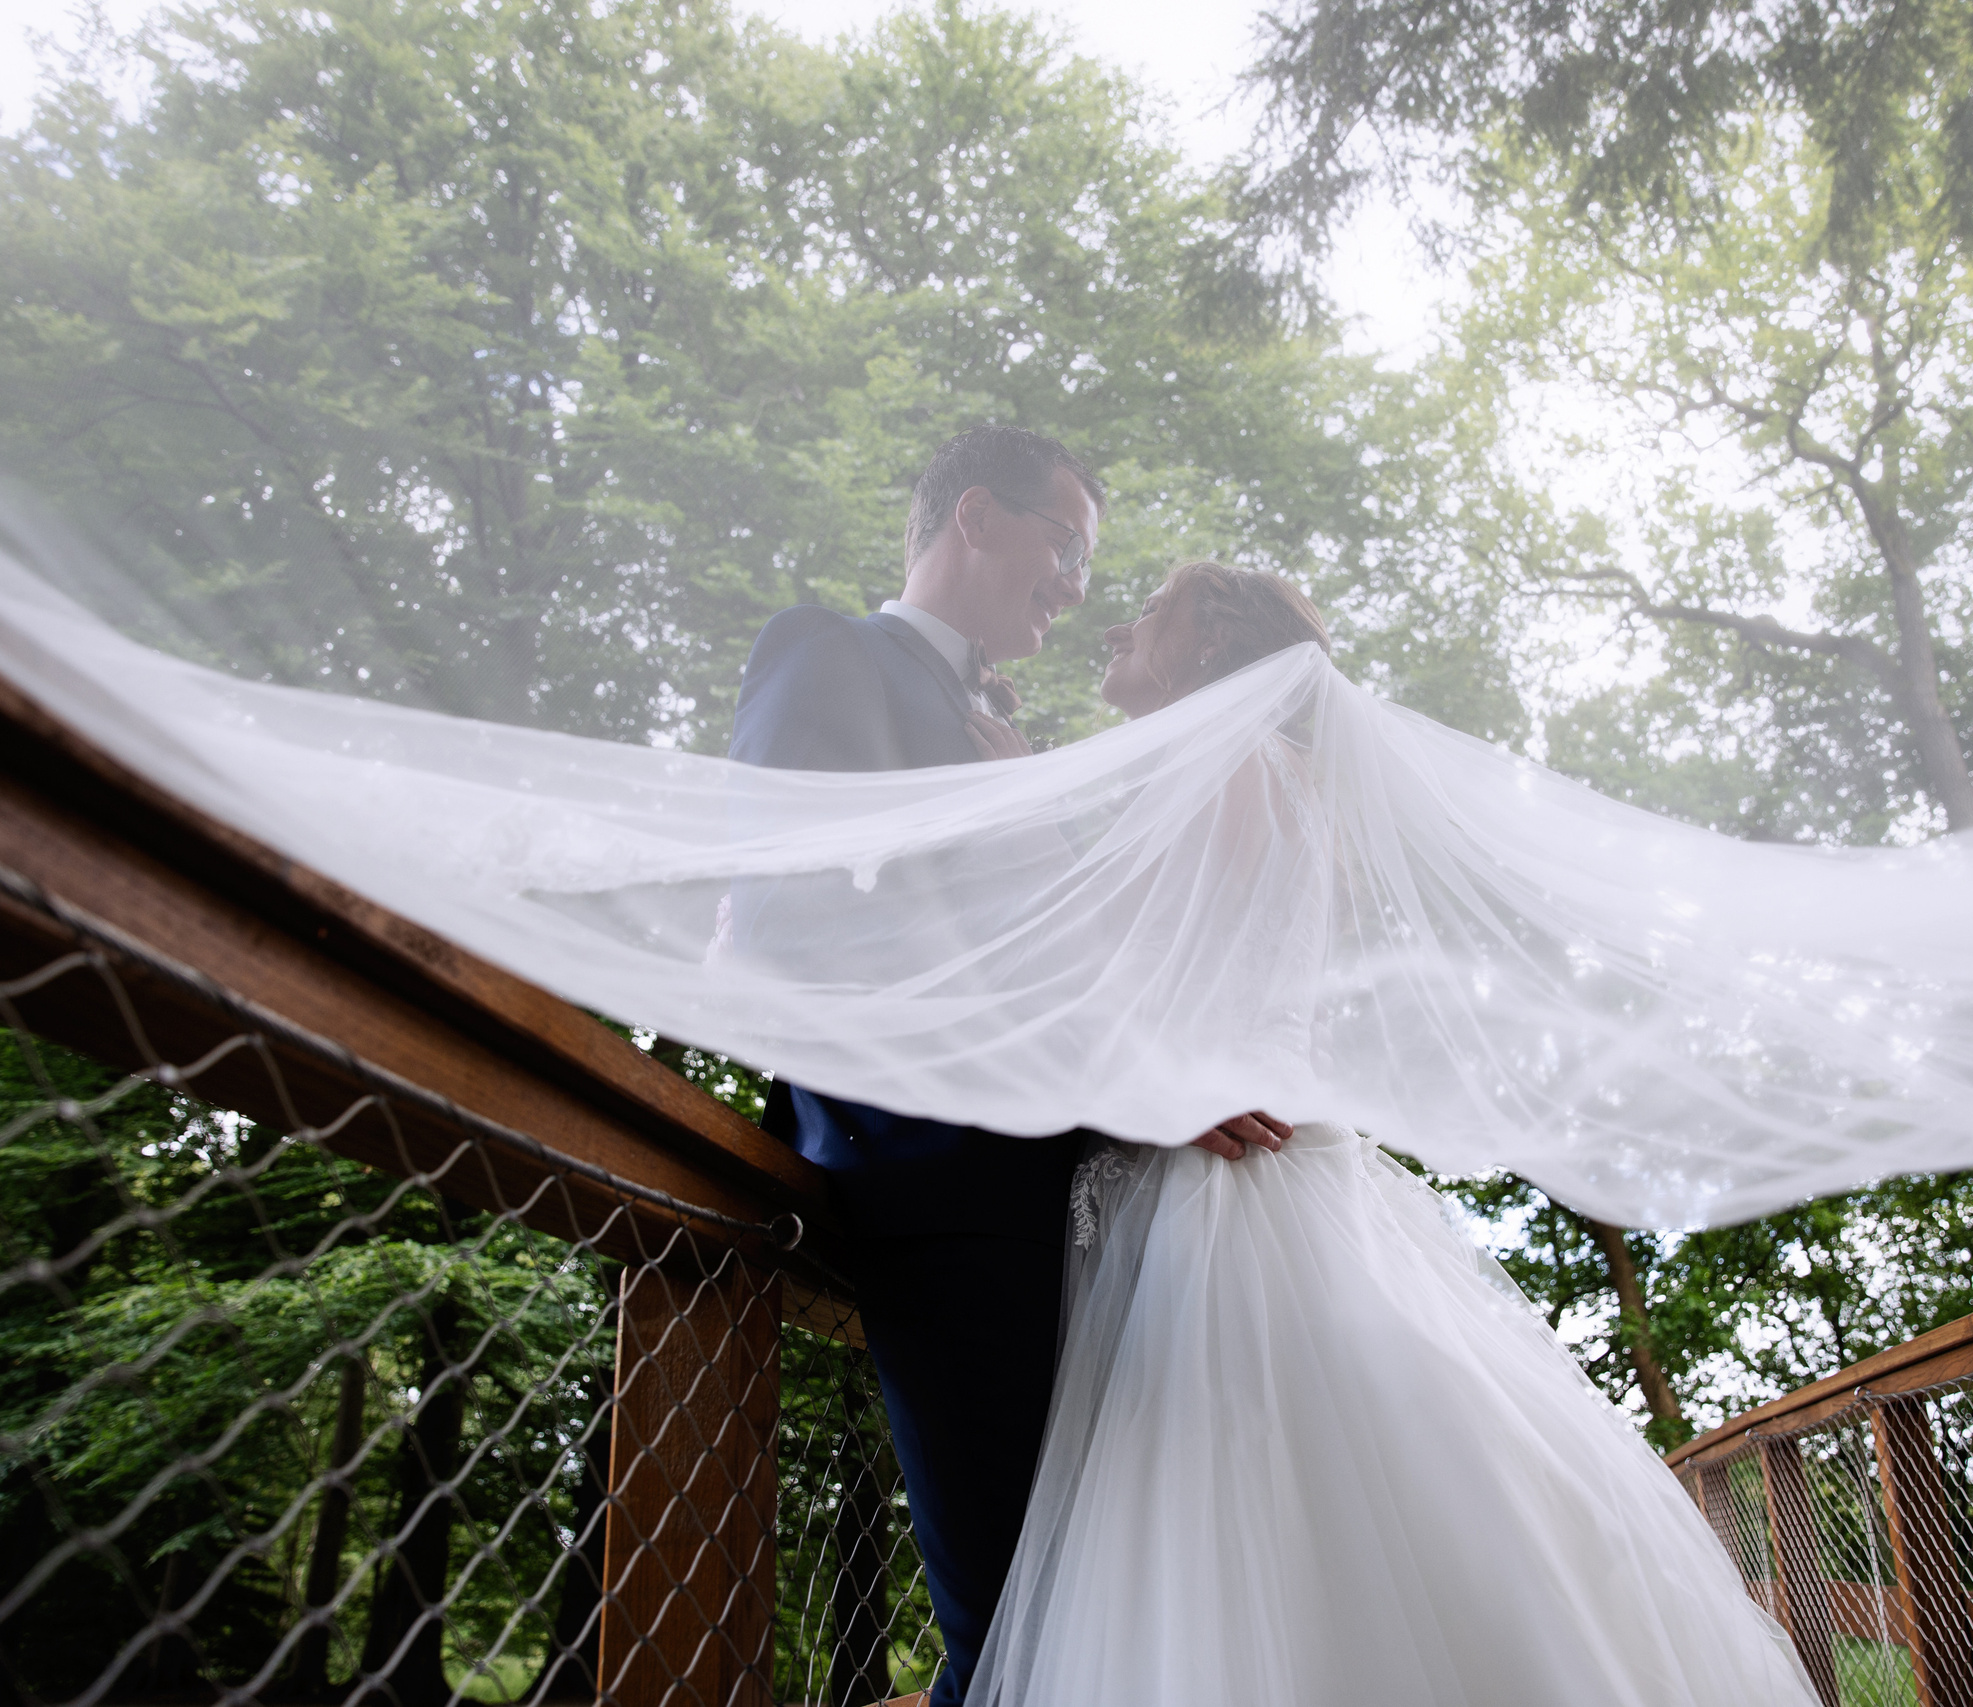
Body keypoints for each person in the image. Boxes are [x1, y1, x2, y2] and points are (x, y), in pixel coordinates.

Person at [962, 560, 1826, 1707]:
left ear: (1210, 650)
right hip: (1260, 1173)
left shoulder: (1225, 767)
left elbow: (1125, 984)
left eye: (1151, 611)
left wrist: (1008, 819)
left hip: (1225, 1194)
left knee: (1234, 1515)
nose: (1116, 622)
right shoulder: (1278, 780)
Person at [723, 432, 1285, 1705]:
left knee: (1089, 1601)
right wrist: (1118, 1080)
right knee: (1015, 1613)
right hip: (941, 1184)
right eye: (1069, 547)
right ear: (977, 516)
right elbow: (788, 923)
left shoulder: (1009, 736)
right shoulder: (829, 654)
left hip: (1078, 1202)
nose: (1081, 588)